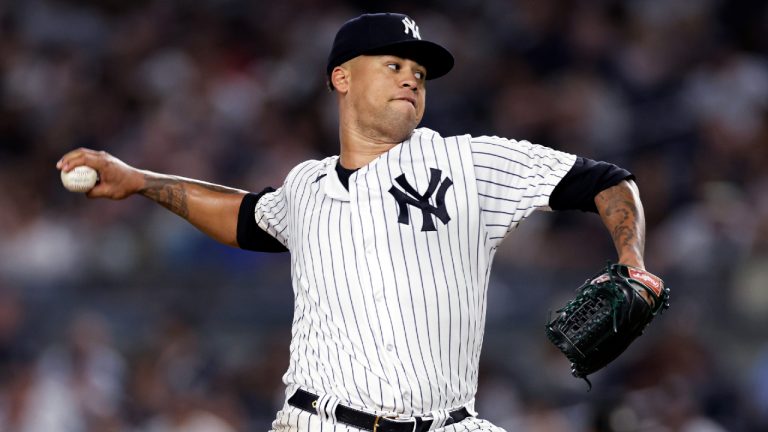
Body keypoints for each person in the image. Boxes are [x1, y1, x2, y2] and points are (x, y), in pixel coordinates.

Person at [57, 12, 652, 432]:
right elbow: (244, 217)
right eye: (393, 64)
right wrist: (140, 181)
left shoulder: (467, 161)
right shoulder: (306, 187)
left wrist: (632, 260)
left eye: (419, 73)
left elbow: (606, 180)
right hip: (318, 421)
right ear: (342, 78)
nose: (411, 78)